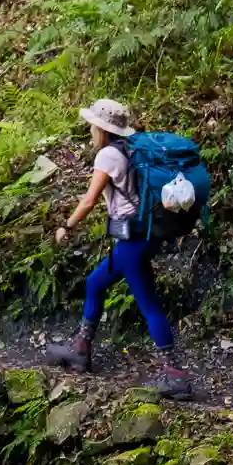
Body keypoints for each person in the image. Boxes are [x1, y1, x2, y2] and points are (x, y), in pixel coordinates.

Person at [44, 98, 193, 400]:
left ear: (101, 128)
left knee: (148, 303)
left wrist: (67, 226)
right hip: (140, 235)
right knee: (95, 283)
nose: (89, 129)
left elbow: (88, 200)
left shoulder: (108, 156)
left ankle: (175, 376)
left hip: (132, 241)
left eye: (92, 125)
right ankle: (81, 350)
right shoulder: (131, 149)